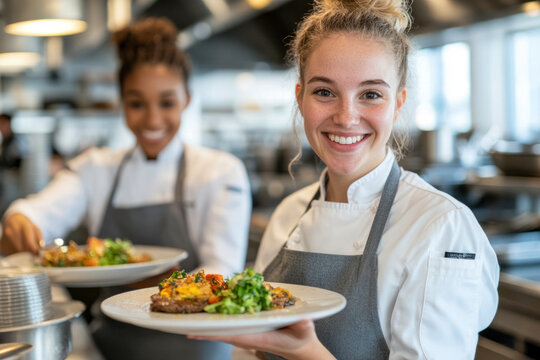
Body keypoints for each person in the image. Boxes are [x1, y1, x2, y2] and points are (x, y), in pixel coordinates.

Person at [188, 1, 500, 359]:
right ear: (300, 98)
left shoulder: (439, 228)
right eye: (324, 91)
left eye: (370, 95)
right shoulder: (289, 216)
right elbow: (248, 352)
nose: (346, 117)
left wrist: (307, 353)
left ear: (397, 104)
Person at [0, 17, 251, 359]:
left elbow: (223, 269)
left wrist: (151, 280)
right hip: (112, 348)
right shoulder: (96, 168)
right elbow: (43, 209)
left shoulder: (219, 171)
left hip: (198, 348)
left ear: (187, 99)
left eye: (166, 102)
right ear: (121, 101)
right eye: (136, 103)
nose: (151, 120)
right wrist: (20, 218)